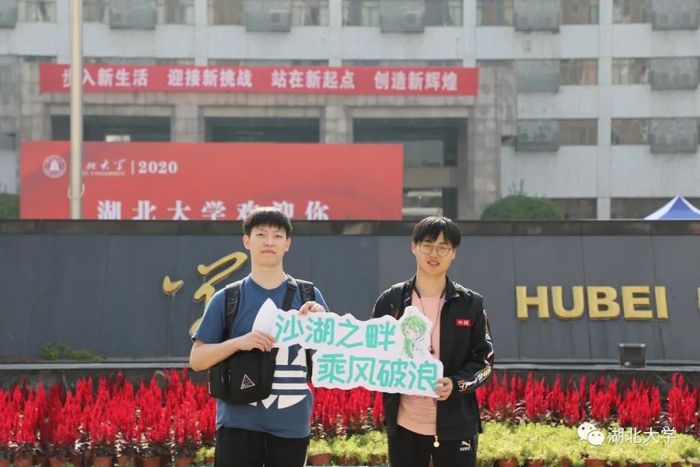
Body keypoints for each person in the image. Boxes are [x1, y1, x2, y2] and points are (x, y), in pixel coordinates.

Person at [189, 206, 329, 467]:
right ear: (247, 241)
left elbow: (330, 359)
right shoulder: (227, 298)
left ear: (287, 244)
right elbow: (197, 359)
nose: (269, 242)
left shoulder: (309, 296)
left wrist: (321, 324)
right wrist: (238, 343)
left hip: (292, 424)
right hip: (238, 423)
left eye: (277, 236)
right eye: (261, 234)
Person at [371, 216, 495, 467]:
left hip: (456, 424)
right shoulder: (392, 300)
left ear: (453, 253)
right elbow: (371, 351)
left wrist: (455, 384)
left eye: (443, 247)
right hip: (404, 425)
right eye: (427, 245)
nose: (434, 253)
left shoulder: (470, 304)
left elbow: (485, 361)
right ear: (414, 247)